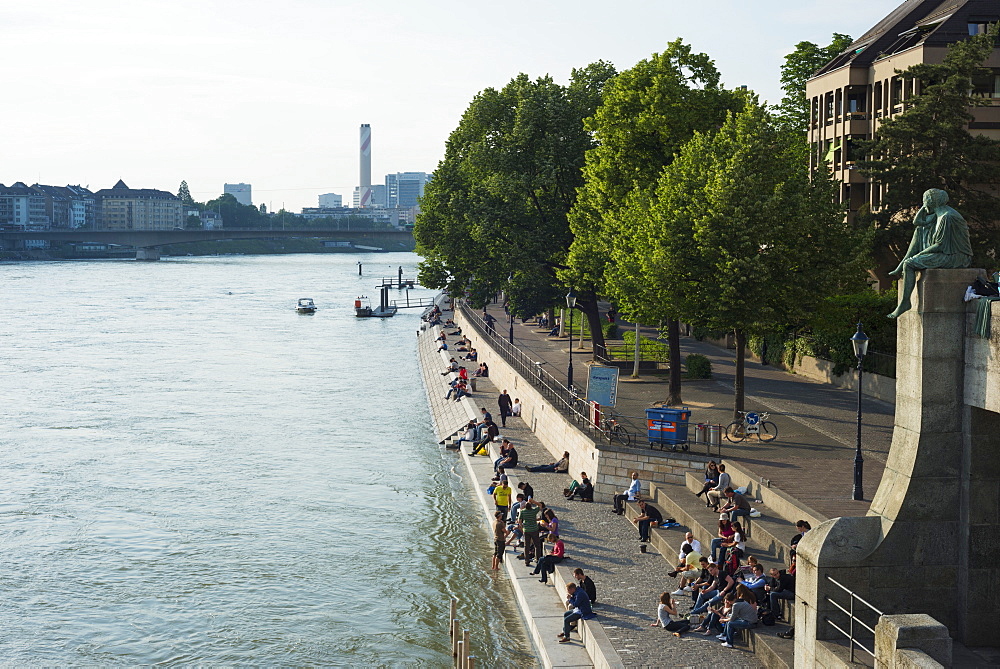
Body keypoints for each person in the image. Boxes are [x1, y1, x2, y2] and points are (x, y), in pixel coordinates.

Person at [888, 188, 973, 319]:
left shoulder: (947, 217)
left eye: (924, 201)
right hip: (946, 253)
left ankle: (905, 303)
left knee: (910, 264)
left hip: (956, 257)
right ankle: (901, 267)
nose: (923, 204)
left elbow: (939, 245)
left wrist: (919, 255)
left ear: (931, 201)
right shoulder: (939, 215)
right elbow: (917, 222)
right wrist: (925, 208)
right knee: (920, 230)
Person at [516, 500, 541, 566]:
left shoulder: (523, 512)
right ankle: (538, 559)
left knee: (526, 546)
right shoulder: (533, 511)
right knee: (537, 545)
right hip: (534, 529)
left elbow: (519, 521)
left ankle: (526, 561)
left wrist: (522, 527)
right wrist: (534, 501)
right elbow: (540, 505)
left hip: (526, 530)